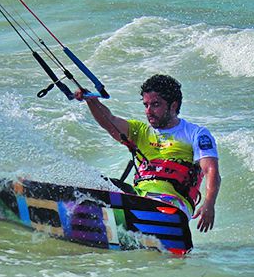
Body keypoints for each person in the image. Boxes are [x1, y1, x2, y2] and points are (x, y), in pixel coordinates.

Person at [80, 74, 221, 232]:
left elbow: (210, 170)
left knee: (150, 203)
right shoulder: (140, 131)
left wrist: (209, 203)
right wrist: (91, 101)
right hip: (138, 196)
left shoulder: (196, 133)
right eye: (146, 105)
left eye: (155, 105)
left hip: (173, 203)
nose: (149, 111)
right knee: (96, 184)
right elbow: (109, 120)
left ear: (173, 106)